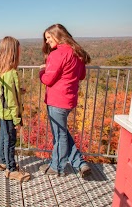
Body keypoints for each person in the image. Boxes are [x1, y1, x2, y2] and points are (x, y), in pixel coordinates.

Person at [39, 24, 92, 177]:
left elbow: (48, 79)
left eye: (49, 38)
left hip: (57, 100)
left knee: (59, 135)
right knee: (62, 132)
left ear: (58, 35)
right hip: (69, 99)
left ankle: (57, 167)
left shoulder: (57, 54)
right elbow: (81, 75)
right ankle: (79, 163)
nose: (47, 41)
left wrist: (42, 71)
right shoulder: (76, 53)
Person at [0, 36, 31, 182]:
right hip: (10, 113)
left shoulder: (0, 70)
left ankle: (2, 161)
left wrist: (18, 90)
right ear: (13, 53)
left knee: (3, 136)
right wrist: (17, 120)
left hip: (2, 112)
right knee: (10, 141)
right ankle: (11, 170)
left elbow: (5, 93)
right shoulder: (12, 73)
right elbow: (12, 101)